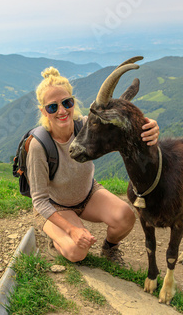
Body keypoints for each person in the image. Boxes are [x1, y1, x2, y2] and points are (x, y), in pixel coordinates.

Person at [27, 67, 159, 265]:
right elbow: (39, 201)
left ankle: (109, 248)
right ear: (43, 111)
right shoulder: (39, 145)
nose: (62, 111)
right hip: (55, 205)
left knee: (125, 217)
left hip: (88, 195)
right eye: (52, 107)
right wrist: (72, 229)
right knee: (77, 252)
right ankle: (56, 239)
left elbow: (125, 129)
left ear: (73, 102)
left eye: (66, 103)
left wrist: (151, 127)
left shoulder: (88, 125)